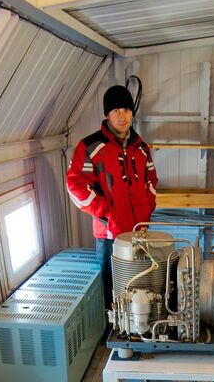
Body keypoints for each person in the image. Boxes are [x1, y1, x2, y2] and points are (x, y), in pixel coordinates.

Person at [66, 84, 158, 305]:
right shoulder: (90, 147)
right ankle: (112, 335)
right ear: (107, 114)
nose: (122, 115)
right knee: (111, 292)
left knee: (139, 287)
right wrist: (107, 213)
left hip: (139, 232)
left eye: (126, 110)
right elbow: (74, 185)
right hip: (109, 236)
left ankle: (136, 330)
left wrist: (146, 209)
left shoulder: (141, 147)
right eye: (116, 110)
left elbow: (151, 180)